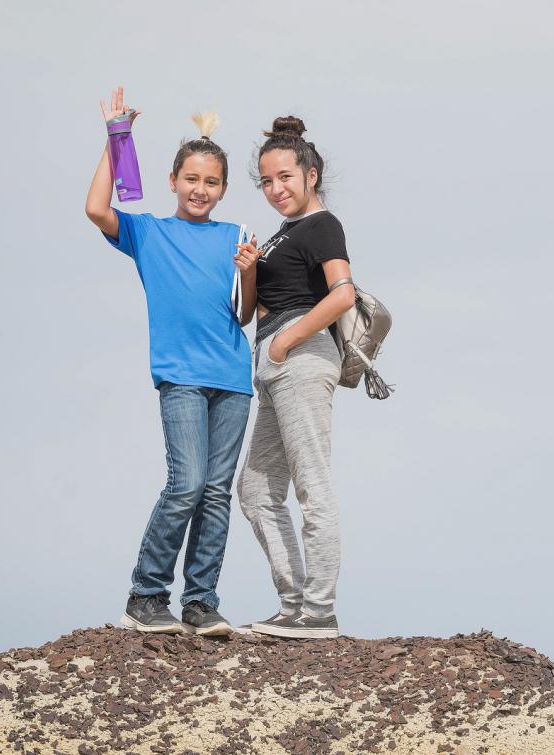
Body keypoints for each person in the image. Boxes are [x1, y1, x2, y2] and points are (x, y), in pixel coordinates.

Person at [84, 87, 261, 636]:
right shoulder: (149, 232)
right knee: (186, 484)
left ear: (223, 189)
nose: (200, 189)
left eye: (211, 182)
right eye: (192, 179)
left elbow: (246, 314)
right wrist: (116, 140)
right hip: (181, 378)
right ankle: (146, 595)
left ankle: (201, 602)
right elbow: (96, 208)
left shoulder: (236, 236)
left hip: (233, 378)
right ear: (172, 180)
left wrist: (250, 269)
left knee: (214, 492)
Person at [236, 116, 355, 639]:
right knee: (256, 491)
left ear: (311, 174)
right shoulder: (284, 234)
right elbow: (246, 312)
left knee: (312, 487)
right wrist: (248, 271)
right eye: (266, 181)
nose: (275, 188)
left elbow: (343, 293)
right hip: (274, 365)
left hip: (301, 359)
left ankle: (320, 611)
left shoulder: (322, 225)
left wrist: (285, 342)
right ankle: (293, 604)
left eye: (285, 176)